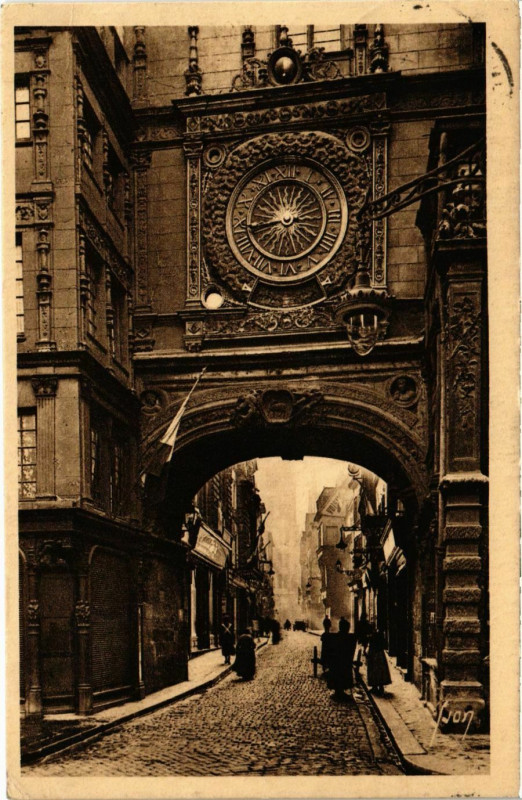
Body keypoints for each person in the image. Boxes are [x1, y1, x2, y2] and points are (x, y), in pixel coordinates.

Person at [327, 617, 357, 702]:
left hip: (337, 662)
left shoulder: (335, 637)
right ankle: (340, 690)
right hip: (344, 662)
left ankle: (338, 690)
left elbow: (331, 650)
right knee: (343, 670)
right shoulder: (350, 638)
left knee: (337, 671)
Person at [366, 628, 392, 695]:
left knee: (377, 670)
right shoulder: (377, 635)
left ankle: (378, 687)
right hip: (378, 653)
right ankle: (377, 687)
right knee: (378, 670)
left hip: (375, 653)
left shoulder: (376, 635)